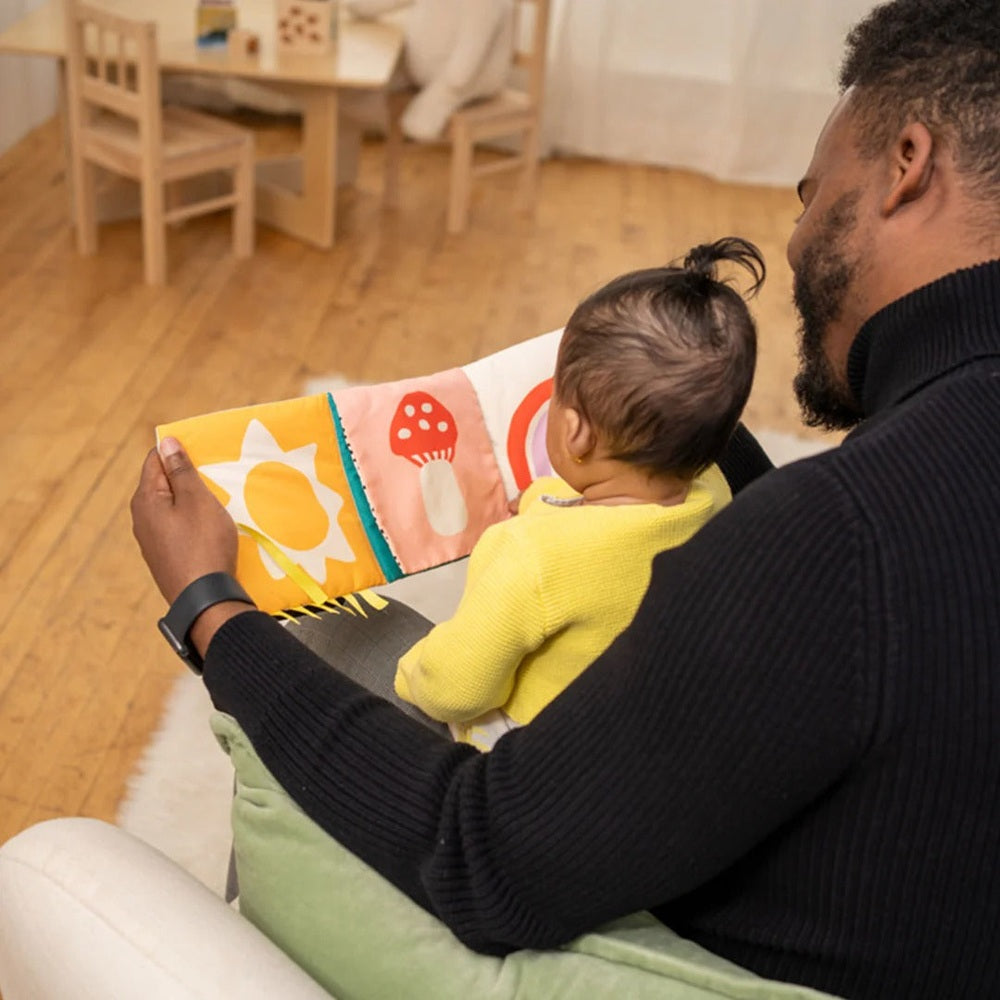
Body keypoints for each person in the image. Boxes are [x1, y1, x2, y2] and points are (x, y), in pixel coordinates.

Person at [130, 1, 1000, 996]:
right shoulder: (863, 507)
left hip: (640, 939)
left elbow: (484, 855)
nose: (798, 239)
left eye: (812, 194)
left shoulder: (835, 543)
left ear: (906, 161)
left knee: (333, 643)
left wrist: (211, 609)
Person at [395, 238, 762, 749]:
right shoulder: (717, 495)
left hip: (539, 758)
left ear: (573, 432)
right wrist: (539, 501)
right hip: (651, 739)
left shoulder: (532, 555)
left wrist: (413, 669)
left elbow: (456, 690)